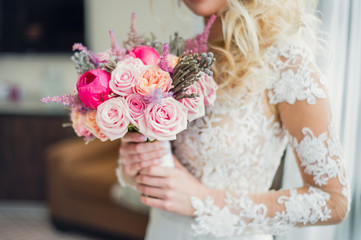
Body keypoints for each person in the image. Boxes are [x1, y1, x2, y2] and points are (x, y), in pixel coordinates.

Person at [117, 0, 350, 239]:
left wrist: (204, 201)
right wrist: (136, 163)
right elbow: (171, 175)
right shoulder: (179, 57)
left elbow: (333, 202)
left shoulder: (287, 62)